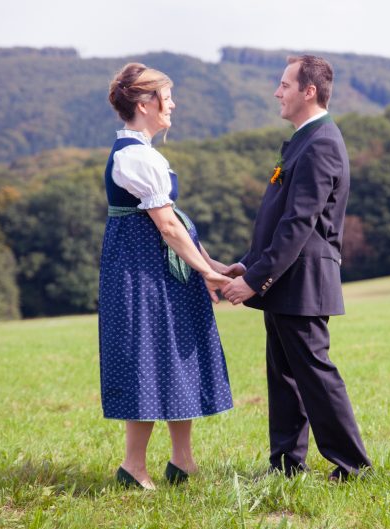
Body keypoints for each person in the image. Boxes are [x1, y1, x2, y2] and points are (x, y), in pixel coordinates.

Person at [222, 55, 371, 481]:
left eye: (284, 84)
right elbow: (279, 218)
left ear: (309, 91)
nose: (277, 92)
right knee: (285, 376)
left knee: (315, 375)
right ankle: (287, 464)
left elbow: (299, 225)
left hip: (303, 280)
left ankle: (354, 468)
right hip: (287, 281)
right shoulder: (307, 139)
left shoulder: (322, 141)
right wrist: (246, 265)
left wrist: (254, 280)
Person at [99, 62, 233, 490]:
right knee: (147, 360)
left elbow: (175, 221)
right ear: (144, 104)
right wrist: (207, 272)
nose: (172, 104)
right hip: (144, 276)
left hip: (160, 272)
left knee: (174, 358)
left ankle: (183, 462)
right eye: (166, 96)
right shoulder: (135, 156)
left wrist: (211, 263)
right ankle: (133, 467)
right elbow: (168, 226)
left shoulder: (143, 152)